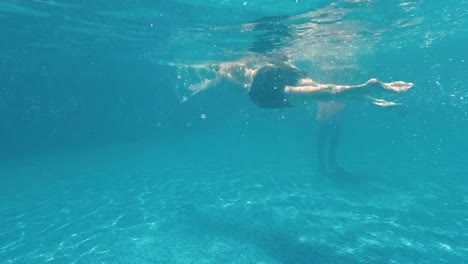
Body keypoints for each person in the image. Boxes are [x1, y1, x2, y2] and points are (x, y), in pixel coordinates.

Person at [176, 59, 413, 173]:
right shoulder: (246, 67)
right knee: (322, 90)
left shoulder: (227, 72)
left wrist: (198, 89)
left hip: (264, 86)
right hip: (278, 74)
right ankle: (372, 96)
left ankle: (367, 91)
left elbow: (218, 83)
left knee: (316, 94)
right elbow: (288, 65)